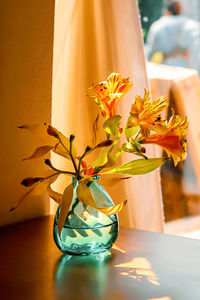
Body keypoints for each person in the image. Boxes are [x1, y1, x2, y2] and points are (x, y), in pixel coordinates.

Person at [146, 1, 200, 72]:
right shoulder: (192, 25)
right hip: (185, 68)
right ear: (180, 10)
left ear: (167, 11)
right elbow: (195, 51)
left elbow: (151, 50)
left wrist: (147, 68)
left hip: (165, 68)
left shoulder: (158, 25)